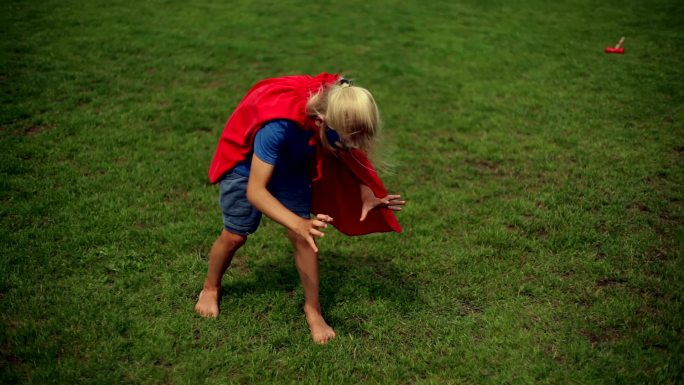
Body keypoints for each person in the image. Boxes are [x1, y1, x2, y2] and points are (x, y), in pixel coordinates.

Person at [195, 73, 404, 344]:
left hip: (292, 166)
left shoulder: (338, 100)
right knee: (235, 235)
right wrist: (297, 222)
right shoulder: (279, 126)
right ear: (322, 121)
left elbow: (348, 154)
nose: (352, 142)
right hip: (247, 170)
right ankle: (210, 287)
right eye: (347, 135)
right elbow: (256, 191)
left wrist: (365, 191)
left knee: (305, 239)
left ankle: (313, 310)